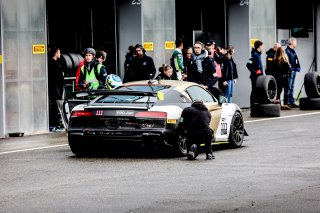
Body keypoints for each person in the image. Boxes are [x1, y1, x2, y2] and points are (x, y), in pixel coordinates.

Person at [48, 47, 64, 131]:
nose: (60, 54)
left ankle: (55, 124)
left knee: (55, 106)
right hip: (55, 89)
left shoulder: (54, 63)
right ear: (56, 53)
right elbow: (57, 78)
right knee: (55, 106)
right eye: (59, 52)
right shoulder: (53, 64)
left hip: (56, 88)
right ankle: (54, 124)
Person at [247, 40, 264, 107]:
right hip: (255, 77)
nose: (262, 47)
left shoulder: (258, 54)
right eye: (262, 46)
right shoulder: (254, 54)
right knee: (254, 91)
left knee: (258, 91)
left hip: (259, 77)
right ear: (259, 46)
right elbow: (248, 64)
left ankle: (257, 104)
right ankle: (253, 105)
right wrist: (255, 72)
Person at [285, 37, 301, 108]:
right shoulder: (287, 51)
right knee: (288, 87)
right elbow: (286, 62)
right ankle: (287, 102)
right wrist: (290, 69)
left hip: (294, 71)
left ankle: (292, 102)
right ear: (291, 42)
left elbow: (296, 61)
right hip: (289, 72)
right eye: (295, 42)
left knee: (292, 87)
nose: (296, 43)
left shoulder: (293, 51)